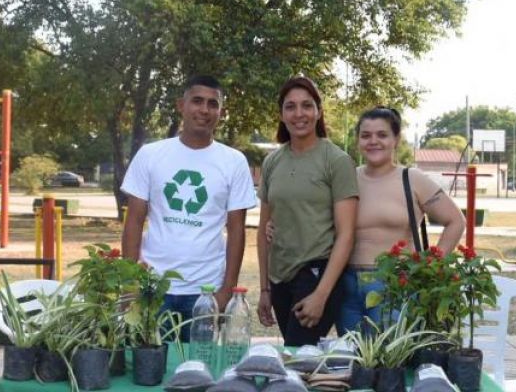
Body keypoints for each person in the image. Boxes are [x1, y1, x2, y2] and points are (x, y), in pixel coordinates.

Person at [121, 75, 256, 334]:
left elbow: (237, 230)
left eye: (212, 104)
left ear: (221, 112)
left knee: (198, 369)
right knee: (149, 367)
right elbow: (134, 221)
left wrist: (226, 291)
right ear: (180, 105)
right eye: (196, 101)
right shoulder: (151, 155)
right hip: (153, 286)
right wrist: (130, 283)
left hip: (205, 292)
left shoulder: (234, 161)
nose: (204, 110)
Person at [336, 107, 466, 335]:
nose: (373, 141)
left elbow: (455, 221)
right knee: (352, 362)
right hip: (346, 287)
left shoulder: (412, 179)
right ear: (357, 140)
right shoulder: (347, 178)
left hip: (394, 286)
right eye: (366, 135)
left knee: (390, 362)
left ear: (396, 139)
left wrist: (431, 267)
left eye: (382, 135)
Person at [256, 76, 358, 346]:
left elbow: (346, 235)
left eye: (306, 105)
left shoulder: (336, 160)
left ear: (319, 111)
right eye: (290, 107)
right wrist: (264, 289)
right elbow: (263, 229)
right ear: (281, 114)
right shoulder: (272, 162)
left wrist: (321, 294)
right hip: (280, 277)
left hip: (316, 274)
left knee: (296, 359)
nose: (299, 114)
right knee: (296, 359)